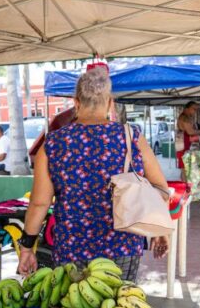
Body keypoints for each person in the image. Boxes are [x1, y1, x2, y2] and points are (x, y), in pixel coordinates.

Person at [17, 67, 170, 280]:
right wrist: (159, 228)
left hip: (71, 248)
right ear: (109, 103)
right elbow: (160, 190)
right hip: (123, 244)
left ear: (76, 103)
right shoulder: (132, 137)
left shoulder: (52, 143)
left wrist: (26, 247)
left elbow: (40, 204)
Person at [176, 101, 200, 171]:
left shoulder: (186, 117)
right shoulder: (184, 118)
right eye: (194, 109)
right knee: (184, 167)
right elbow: (190, 132)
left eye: (196, 109)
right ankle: (185, 182)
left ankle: (184, 181)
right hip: (182, 144)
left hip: (184, 144)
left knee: (185, 167)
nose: (195, 111)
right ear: (187, 108)